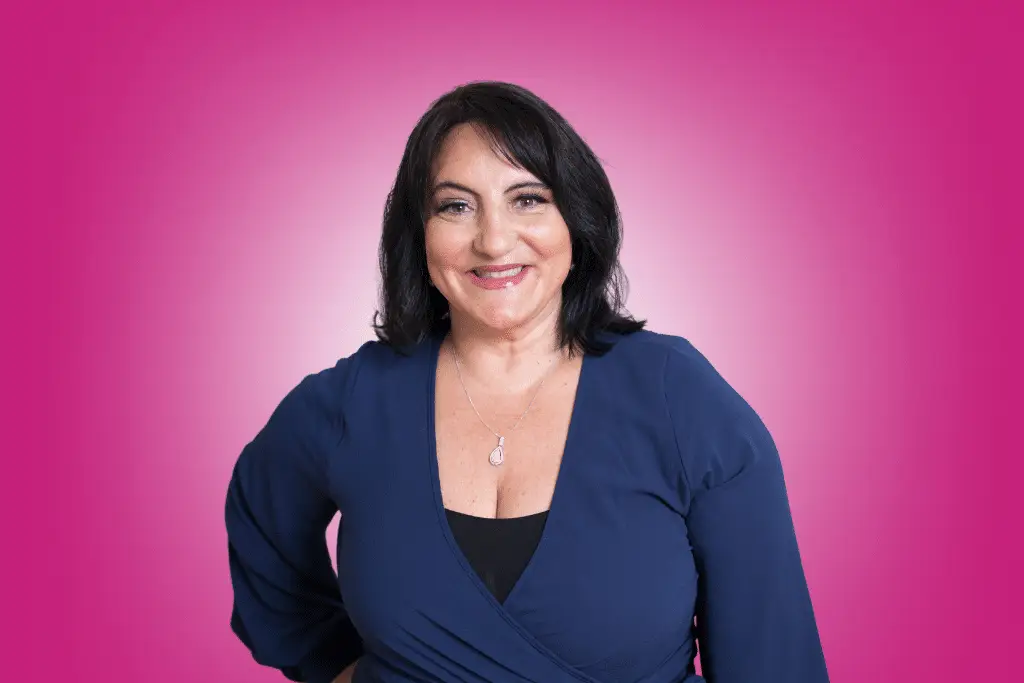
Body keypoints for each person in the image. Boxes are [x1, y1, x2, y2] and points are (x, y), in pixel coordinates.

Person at [225, 81, 830, 683]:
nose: (493, 241)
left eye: (528, 199)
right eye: (456, 206)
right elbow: (259, 515)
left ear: (577, 220)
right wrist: (333, 664)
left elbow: (773, 654)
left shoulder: (680, 398)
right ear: (420, 233)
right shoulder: (352, 403)